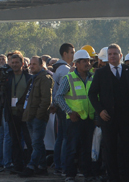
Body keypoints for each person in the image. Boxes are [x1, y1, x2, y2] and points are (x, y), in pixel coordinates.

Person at [89, 44, 129, 182]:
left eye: (115, 54)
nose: (112, 56)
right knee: (110, 150)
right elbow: (92, 94)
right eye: (110, 54)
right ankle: (113, 178)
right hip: (108, 118)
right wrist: (100, 111)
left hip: (127, 118)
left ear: (121, 56)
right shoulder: (101, 73)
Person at [55, 49, 96, 182]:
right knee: (71, 148)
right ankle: (70, 174)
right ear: (76, 64)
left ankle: (87, 173)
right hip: (74, 120)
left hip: (89, 119)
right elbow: (59, 97)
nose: (87, 63)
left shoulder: (92, 78)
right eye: (84, 61)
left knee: (87, 148)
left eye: (88, 61)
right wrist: (69, 111)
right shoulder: (69, 78)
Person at [21, 56, 53, 177]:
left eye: (34, 64)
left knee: (36, 143)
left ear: (41, 65)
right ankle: (42, 166)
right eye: (31, 64)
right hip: (30, 115)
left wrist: (39, 115)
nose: (31, 66)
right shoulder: (33, 78)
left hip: (37, 117)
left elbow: (46, 100)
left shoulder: (44, 78)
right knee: (38, 143)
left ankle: (31, 166)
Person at [52, 43, 75, 176]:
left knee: (60, 137)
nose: (73, 55)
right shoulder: (65, 70)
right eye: (72, 52)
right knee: (65, 137)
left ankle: (58, 165)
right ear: (65, 54)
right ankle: (63, 166)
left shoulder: (58, 69)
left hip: (58, 107)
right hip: (64, 107)